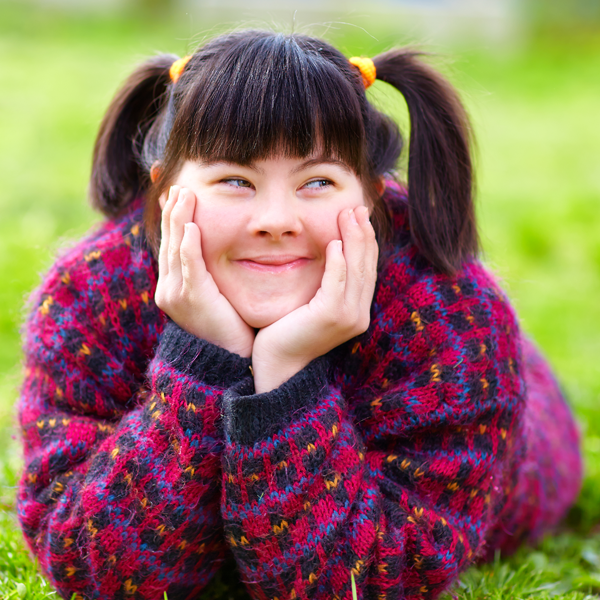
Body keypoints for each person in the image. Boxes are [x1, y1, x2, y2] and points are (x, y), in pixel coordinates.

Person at [16, 29, 582, 600]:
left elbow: (368, 584)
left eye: (317, 181)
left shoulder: (451, 320)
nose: (276, 219)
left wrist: (287, 375)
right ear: (166, 192)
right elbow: (99, 575)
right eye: (235, 180)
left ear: (371, 196)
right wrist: (204, 362)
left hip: (530, 435)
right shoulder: (93, 296)